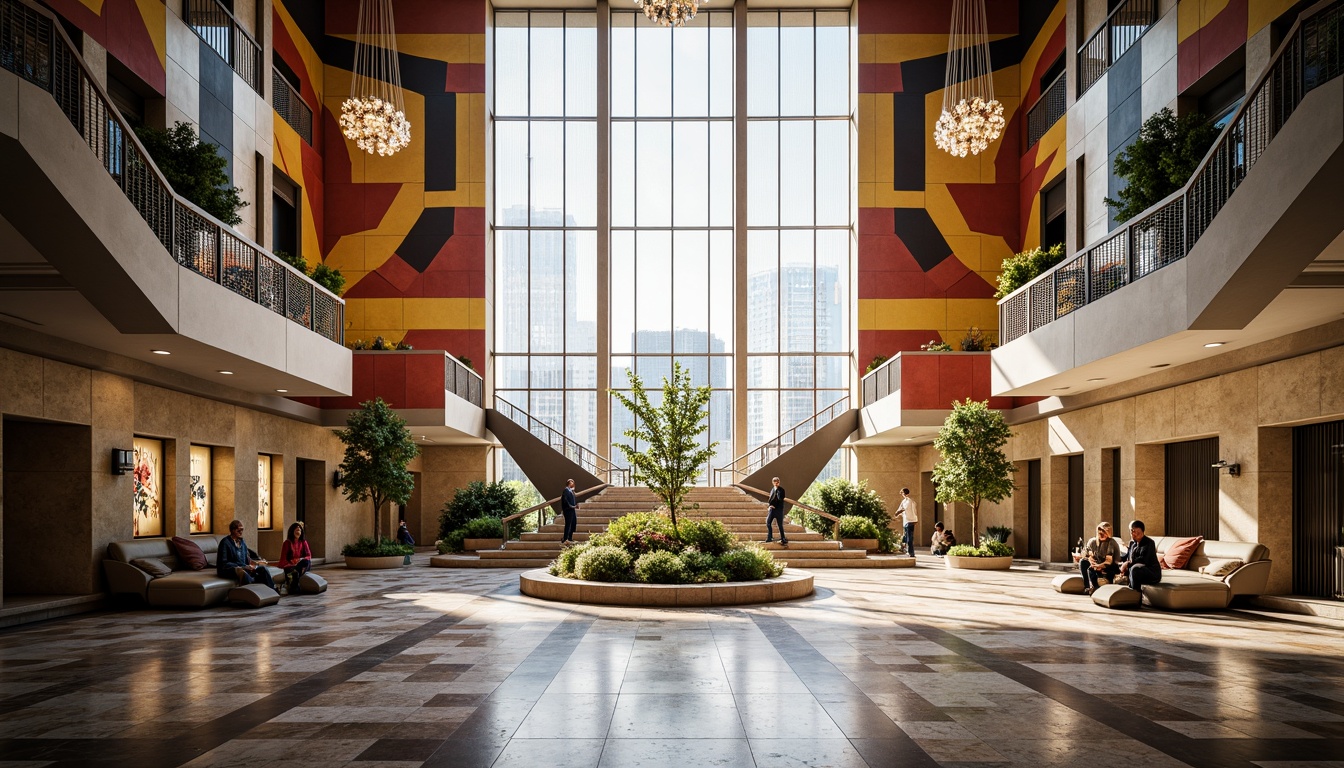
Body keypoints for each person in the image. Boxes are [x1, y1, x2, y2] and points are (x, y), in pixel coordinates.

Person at [218, 520, 278, 592]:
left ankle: (272, 590)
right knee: (242, 571)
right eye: (238, 530)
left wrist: (255, 563)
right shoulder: (225, 542)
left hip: (244, 567)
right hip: (231, 569)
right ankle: (253, 589)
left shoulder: (242, 542)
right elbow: (223, 563)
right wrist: (243, 567)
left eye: (242, 530)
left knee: (263, 569)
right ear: (233, 530)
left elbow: (246, 558)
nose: (241, 532)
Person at [1118, 519, 1162, 599]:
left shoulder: (1149, 543)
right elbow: (1128, 556)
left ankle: (1135, 596)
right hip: (1136, 569)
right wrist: (1118, 561)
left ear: (1142, 532)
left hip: (1151, 572)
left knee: (1135, 569)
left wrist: (1127, 564)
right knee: (1114, 566)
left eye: (1137, 532)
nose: (1134, 534)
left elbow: (1144, 560)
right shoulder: (1132, 543)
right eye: (1132, 532)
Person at [1079, 521, 1123, 595]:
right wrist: (1091, 561)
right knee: (1083, 562)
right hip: (1096, 563)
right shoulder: (1092, 541)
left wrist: (1100, 566)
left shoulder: (1111, 542)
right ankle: (1087, 586)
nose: (1102, 534)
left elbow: (1109, 561)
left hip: (1110, 565)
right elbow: (1088, 554)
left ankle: (1100, 587)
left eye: (1104, 532)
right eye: (1100, 532)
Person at [277, 522, 312, 596]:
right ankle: (294, 584)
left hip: (300, 564)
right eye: (296, 530)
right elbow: (283, 559)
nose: (298, 531)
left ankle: (295, 578)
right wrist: (292, 563)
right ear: (292, 531)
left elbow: (308, 555)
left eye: (299, 530)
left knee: (307, 562)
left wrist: (300, 559)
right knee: (295, 571)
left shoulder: (303, 542)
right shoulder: (287, 543)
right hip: (290, 566)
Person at [765, 477, 788, 546]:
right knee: (768, 522)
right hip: (772, 509)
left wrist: (777, 491)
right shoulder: (772, 490)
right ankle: (770, 537)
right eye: (775, 482)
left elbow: (780, 499)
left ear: (779, 482)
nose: (776, 483)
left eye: (777, 482)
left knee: (780, 525)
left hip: (779, 510)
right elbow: (770, 499)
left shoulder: (781, 490)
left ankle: (783, 538)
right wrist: (770, 506)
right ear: (773, 482)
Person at [896, 488, 918, 556]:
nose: (902, 494)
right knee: (905, 537)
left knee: (909, 538)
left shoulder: (909, 501)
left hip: (910, 521)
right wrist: (897, 512)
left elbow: (904, 508)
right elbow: (900, 508)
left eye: (902, 493)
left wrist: (898, 512)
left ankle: (911, 552)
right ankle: (906, 550)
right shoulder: (904, 501)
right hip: (906, 521)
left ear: (904, 493)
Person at [560, 479, 578, 544]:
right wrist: (571, 506)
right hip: (568, 510)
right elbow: (565, 501)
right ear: (569, 483)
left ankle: (570, 537)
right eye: (571, 482)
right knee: (568, 524)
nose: (572, 483)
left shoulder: (571, 491)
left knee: (573, 523)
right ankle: (565, 538)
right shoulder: (566, 490)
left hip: (572, 510)